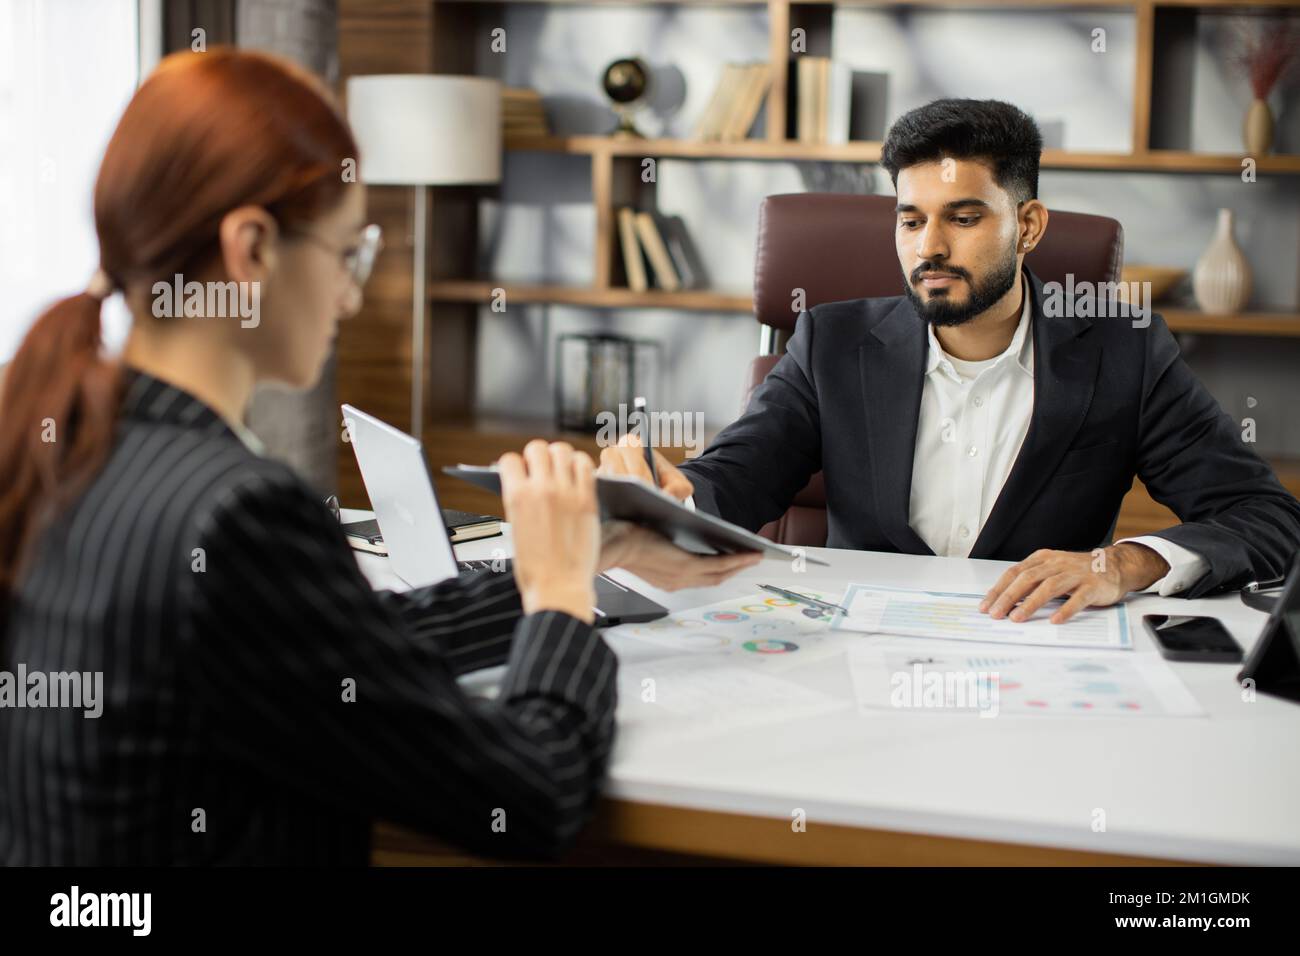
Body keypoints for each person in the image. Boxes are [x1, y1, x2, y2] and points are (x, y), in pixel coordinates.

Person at [0, 48, 758, 866]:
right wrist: (560, 605)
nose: (353, 297)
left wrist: (582, 557)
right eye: (346, 255)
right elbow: (531, 793)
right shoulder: (239, 514)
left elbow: (335, 652)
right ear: (251, 249)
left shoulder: (68, 440)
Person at [601, 99, 1300, 624]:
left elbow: (1266, 518)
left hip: (1035, 655)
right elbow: (734, 478)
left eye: (964, 218)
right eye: (911, 219)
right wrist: (664, 498)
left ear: (1026, 226)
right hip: (850, 654)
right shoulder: (829, 343)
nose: (928, 247)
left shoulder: (1123, 349)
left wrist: (1125, 563)